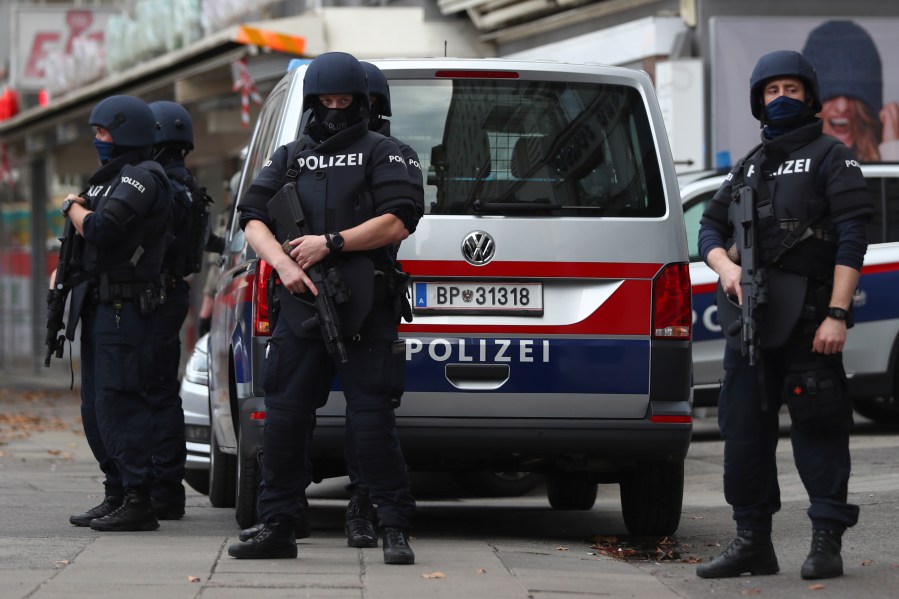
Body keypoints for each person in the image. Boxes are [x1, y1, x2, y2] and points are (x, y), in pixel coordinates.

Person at [226, 51, 420, 564]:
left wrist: (330, 243)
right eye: (326, 100)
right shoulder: (291, 155)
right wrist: (285, 266)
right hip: (299, 301)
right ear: (313, 102)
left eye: (345, 100)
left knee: (372, 420)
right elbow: (252, 217)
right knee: (285, 419)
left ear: (363, 100)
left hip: (365, 303)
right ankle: (278, 524)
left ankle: (394, 524)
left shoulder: (387, 151)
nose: (335, 108)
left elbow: (399, 220)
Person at [695, 50, 872, 580]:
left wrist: (837, 314)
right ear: (759, 101)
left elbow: (852, 239)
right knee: (743, 432)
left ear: (809, 95)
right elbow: (708, 228)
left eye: (790, 89)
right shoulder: (750, 164)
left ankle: (825, 542)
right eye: (771, 92)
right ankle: (752, 541)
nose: (781, 99)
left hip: (812, 319)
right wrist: (725, 268)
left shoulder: (832, 157)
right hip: (752, 320)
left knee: (819, 430)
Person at [64, 95, 172, 531]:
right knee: (96, 408)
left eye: (103, 132)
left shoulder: (144, 177)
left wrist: (72, 207)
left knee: (119, 402)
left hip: (124, 308)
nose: (98, 140)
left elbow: (103, 230)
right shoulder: (108, 180)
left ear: (126, 132)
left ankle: (138, 498)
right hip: (100, 305)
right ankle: (116, 490)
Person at [145, 100, 207, 520]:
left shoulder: (168, 187)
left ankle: (164, 489)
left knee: (154, 393)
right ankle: (164, 488)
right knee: (160, 392)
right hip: (171, 294)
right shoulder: (187, 185)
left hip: (159, 296)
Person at [802, 20, 899, 162]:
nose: (842, 107)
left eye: (854, 97)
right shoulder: (788, 166)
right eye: (831, 95)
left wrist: (892, 148)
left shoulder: (887, 153)